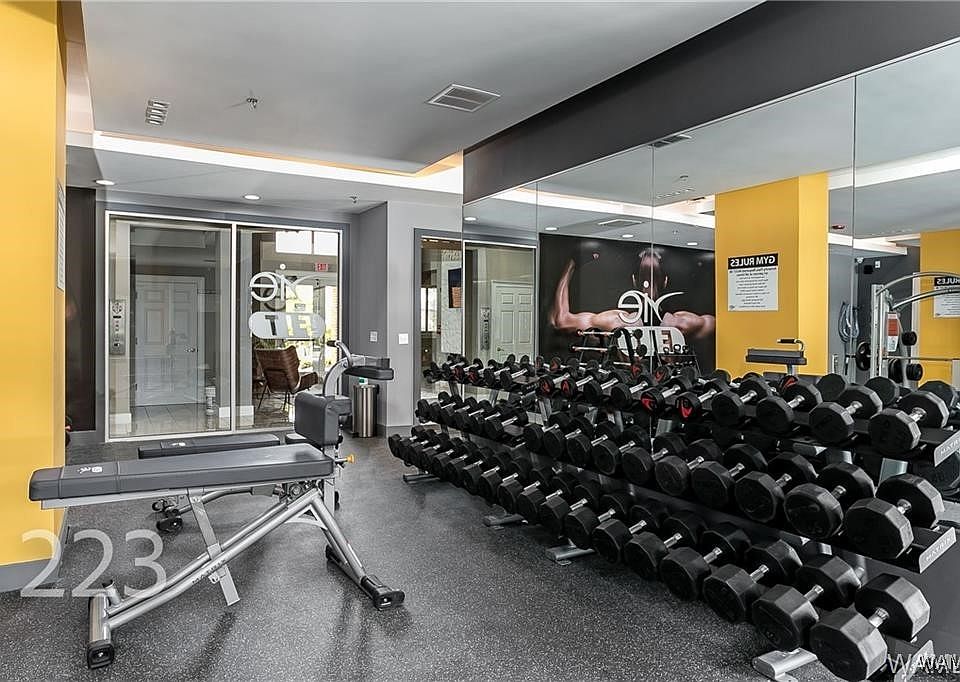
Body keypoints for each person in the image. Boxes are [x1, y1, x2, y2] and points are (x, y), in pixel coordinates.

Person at [549, 247, 715, 339]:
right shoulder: (683, 322)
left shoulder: (617, 321)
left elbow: (560, 320)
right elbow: (721, 324)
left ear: (634, 281)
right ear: (665, 281)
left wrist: (572, 265)